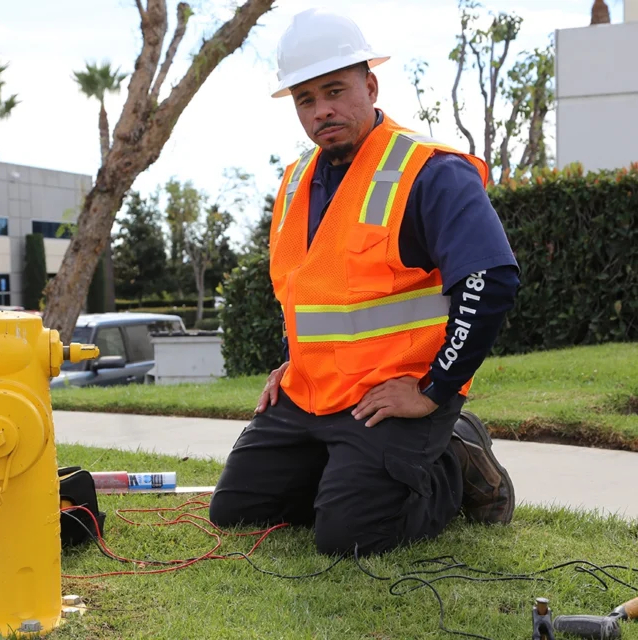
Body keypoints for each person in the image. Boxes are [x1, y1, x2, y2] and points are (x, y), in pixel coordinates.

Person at [209, 8, 520, 556]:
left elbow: (490, 279)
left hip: (393, 394)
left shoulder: (430, 170)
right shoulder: (296, 180)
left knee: (349, 537)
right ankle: (348, 475)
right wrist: (292, 360)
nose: (321, 110)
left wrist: (434, 390)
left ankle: (457, 457)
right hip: (311, 394)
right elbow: (305, 290)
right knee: (237, 511)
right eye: (305, 99)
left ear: (370, 85)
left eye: (334, 90)